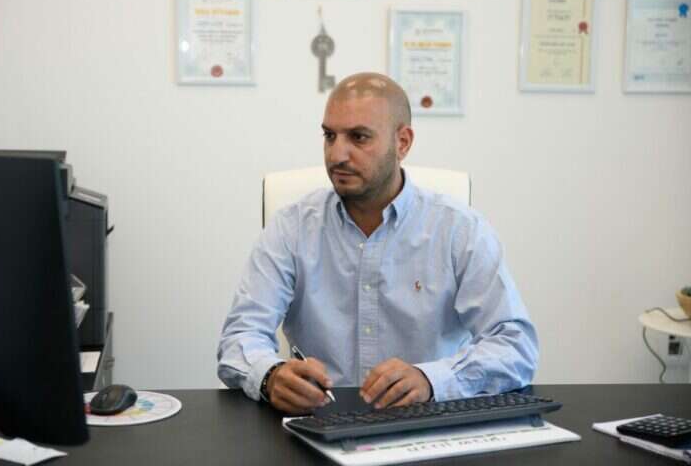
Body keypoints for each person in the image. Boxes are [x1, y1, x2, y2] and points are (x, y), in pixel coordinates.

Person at [217, 73, 538, 415]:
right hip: (321, 422)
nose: (337, 155)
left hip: (428, 424)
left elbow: (515, 345)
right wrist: (271, 376)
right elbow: (240, 337)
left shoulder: (460, 230)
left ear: (403, 143)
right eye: (329, 136)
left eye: (359, 137)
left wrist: (432, 380)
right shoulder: (291, 228)